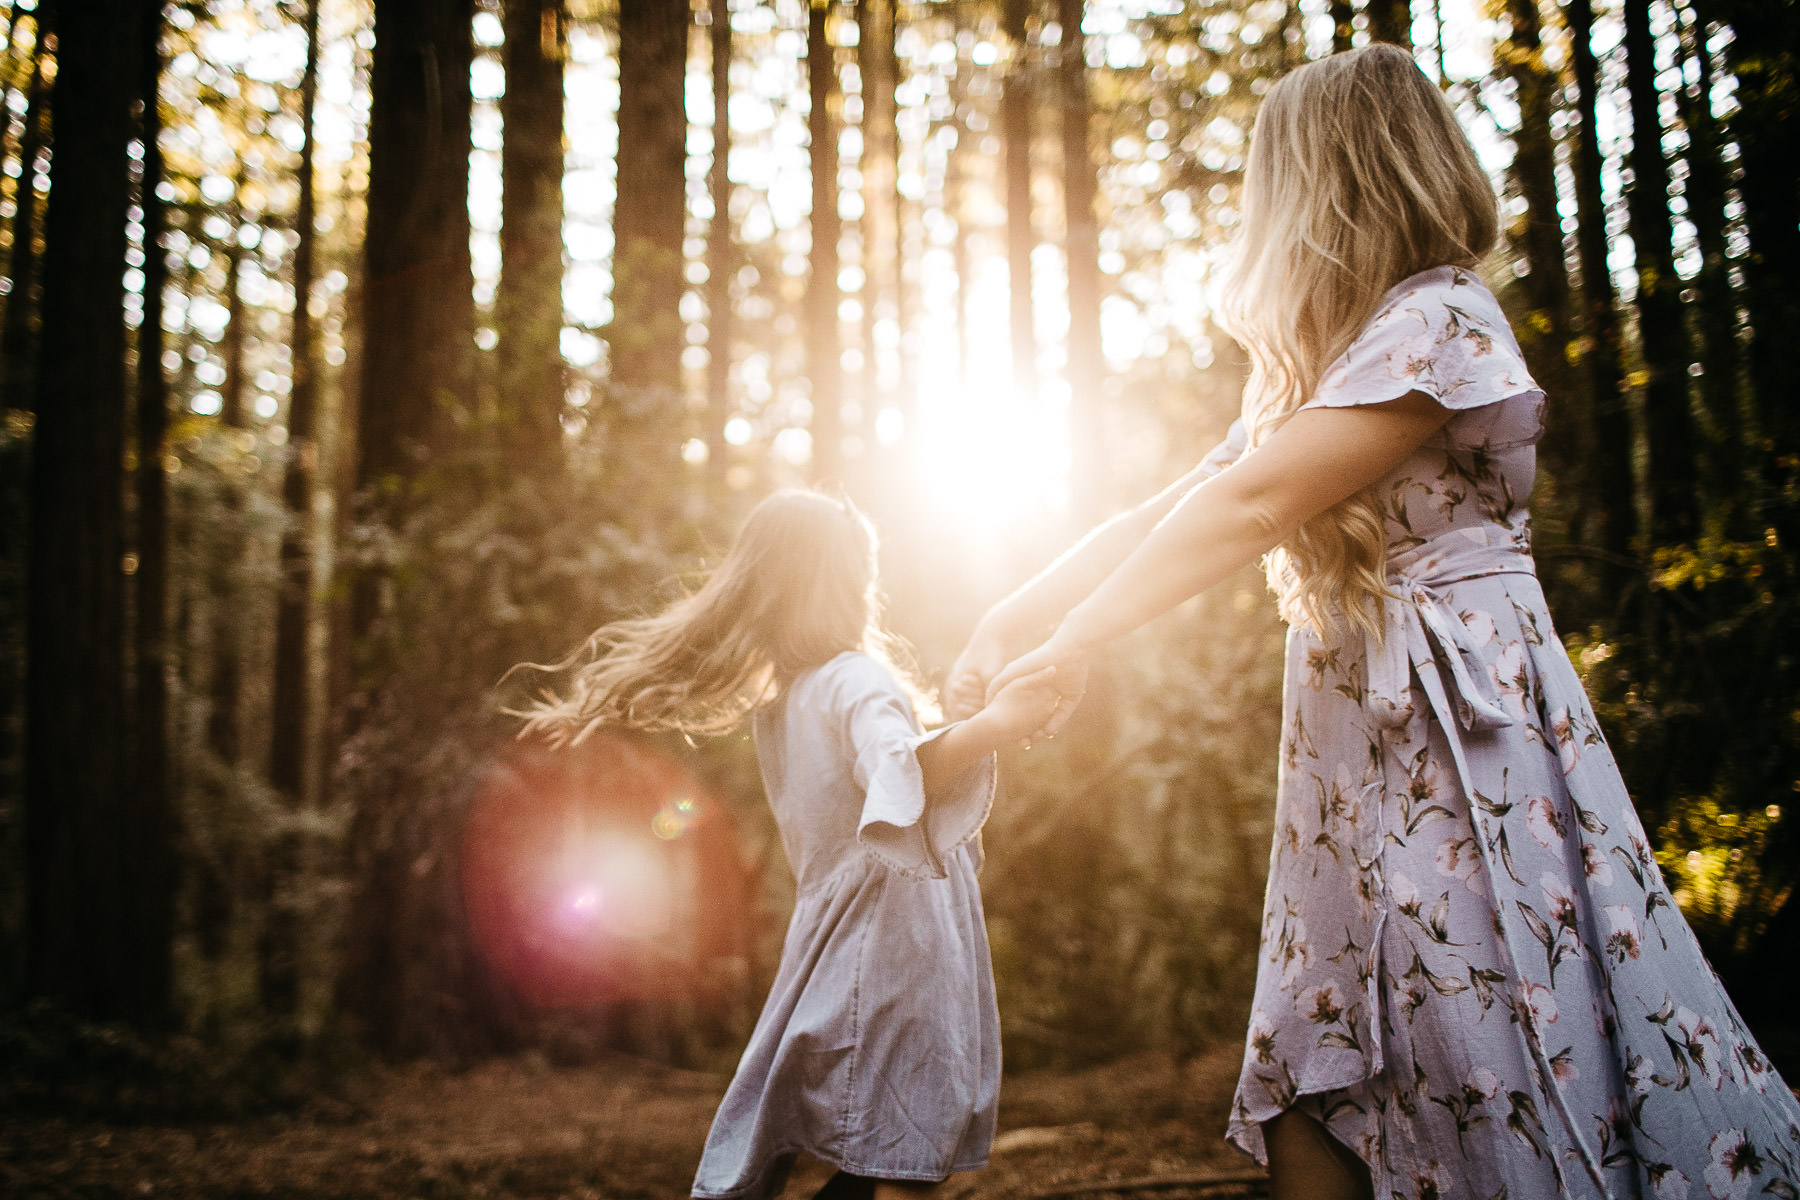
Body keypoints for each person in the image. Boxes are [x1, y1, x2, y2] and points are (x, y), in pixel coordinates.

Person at [947, 44, 1800, 1200]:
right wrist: (1016, 608)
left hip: (1461, 737)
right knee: (1317, 1057)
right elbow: (1177, 504)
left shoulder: (1444, 320)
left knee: (1486, 1027)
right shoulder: (1329, 365)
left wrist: (1078, 639)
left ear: (1329, 185)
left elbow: (1250, 505)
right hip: (1355, 747)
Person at [516, 489, 1062, 1200]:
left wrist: (962, 721)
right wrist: (997, 725)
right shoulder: (855, 681)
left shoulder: (789, 700)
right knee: (879, 1150)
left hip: (834, 937)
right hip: (894, 947)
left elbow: (888, 764)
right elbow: (898, 775)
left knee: (813, 1129)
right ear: (842, 583)